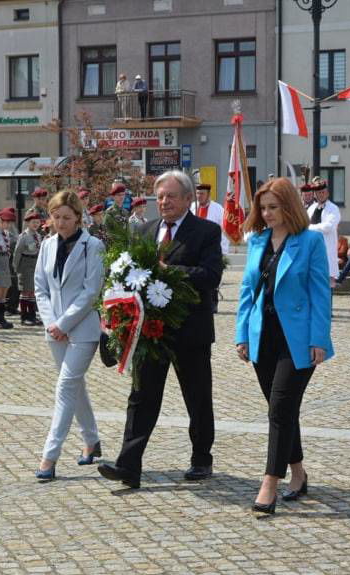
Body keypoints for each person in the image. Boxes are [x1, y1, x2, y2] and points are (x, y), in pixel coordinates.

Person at [98, 170, 222, 489]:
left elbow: (210, 276)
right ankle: (129, 465)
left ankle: (201, 458)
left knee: (196, 398)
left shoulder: (206, 231)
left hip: (189, 331)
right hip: (150, 331)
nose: (164, 202)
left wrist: (170, 272)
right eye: (160, 196)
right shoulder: (145, 231)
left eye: (170, 196)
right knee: (141, 397)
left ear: (187, 198)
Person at [235, 177, 333, 514]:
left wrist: (320, 338)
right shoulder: (258, 241)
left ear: (289, 206)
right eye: (262, 208)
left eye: (273, 207)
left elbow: (321, 293)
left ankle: (269, 484)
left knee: (278, 409)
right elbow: (248, 292)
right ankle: (299, 474)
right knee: (285, 411)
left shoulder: (310, 242)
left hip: (299, 339)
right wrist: (241, 334)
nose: (267, 214)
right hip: (263, 336)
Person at [34, 190, 105, 481]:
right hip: (55, 330)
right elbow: (40, 287)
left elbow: (91, 291)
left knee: (65, 387)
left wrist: (64, 323)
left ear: (78, 217)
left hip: (84, 327)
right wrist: (53, 323)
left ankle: (49, 456)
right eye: (56, 217)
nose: (61, 223)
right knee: (75, 387)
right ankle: (91, 440)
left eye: (66, 217)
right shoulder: (47, 245)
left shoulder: (93, 246)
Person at [191, 183, 229, 313]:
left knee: (211, 279)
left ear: (208, 194)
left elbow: (223, 231)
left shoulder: (218, 209)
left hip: (212, 250)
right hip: (195, 250)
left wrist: (223, 250)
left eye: (202, 194)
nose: (199, 196)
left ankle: (213, 303)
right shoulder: (191, 208)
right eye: (197, 194)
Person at [307, 177, 341, 287]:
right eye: (318, 193)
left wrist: (309, 227)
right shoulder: (311, 208)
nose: (321, 194)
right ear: (315, 194)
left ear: (327, 193)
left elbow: (328, 226)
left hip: (326, 250)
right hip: (312, 249)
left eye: (323, 192)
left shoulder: (333, 208)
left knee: (327, 284)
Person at [13, 210, 42, 326]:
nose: (36, 224)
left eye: (37, 222)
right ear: (28, 223)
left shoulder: (38, 236)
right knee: (26, 291)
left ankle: (32, 315)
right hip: (25, 263)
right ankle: (24, 317)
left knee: (33, 292)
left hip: (35, 263)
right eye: (33, 222)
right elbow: (17, 252)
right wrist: (16, 267)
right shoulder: (23, 236)